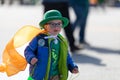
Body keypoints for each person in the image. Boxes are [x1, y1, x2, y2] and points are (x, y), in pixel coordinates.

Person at [24, 10, 79, 80]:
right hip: (40, 74)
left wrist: (72, 66)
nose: (56, 27)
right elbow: (28, 50)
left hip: (56, 74)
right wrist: (31, 58)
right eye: (52, 24)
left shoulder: (61, 41)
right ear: (45, 26)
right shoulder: (39, 38)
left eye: (59, 24)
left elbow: (66, 56)